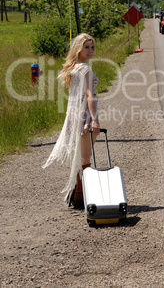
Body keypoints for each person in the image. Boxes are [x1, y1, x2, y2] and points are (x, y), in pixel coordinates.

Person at [43, 33, 100, 208]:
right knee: (85, 157)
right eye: (87, 47)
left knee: (81, 155)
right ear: (79, 48)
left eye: (92, 47)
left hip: (73, 114)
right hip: (84, 115)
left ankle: (77, 195)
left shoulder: (73, 68)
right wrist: (95, 119)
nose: (90, 51)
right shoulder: (85, 69)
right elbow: (90, 96)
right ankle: (81, 197)